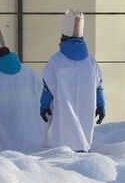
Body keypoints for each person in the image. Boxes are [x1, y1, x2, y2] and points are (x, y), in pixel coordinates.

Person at [40, 10, 105, 152]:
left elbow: (48, 88)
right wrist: (101, 104)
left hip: (63, 115)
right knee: (83, 140)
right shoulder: (91, 62)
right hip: (86, 111)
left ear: (63, 38)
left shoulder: (56, 60)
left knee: (64, 146)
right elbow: (99, 87)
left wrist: (44, 105)